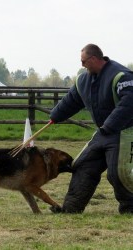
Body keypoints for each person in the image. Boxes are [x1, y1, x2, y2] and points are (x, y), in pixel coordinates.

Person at [50, 44, 133, 214]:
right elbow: (72, 100)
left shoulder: (121, 76)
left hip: (124, 131)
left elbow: (129, 103)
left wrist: (109, 125)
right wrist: (55, 116)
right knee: (82, 165)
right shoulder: (84, 79)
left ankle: (130, 208)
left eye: (83, 62)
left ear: (94, 59)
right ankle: (71, 208)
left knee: (118, 172)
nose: (82, 66)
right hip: (103, 132)